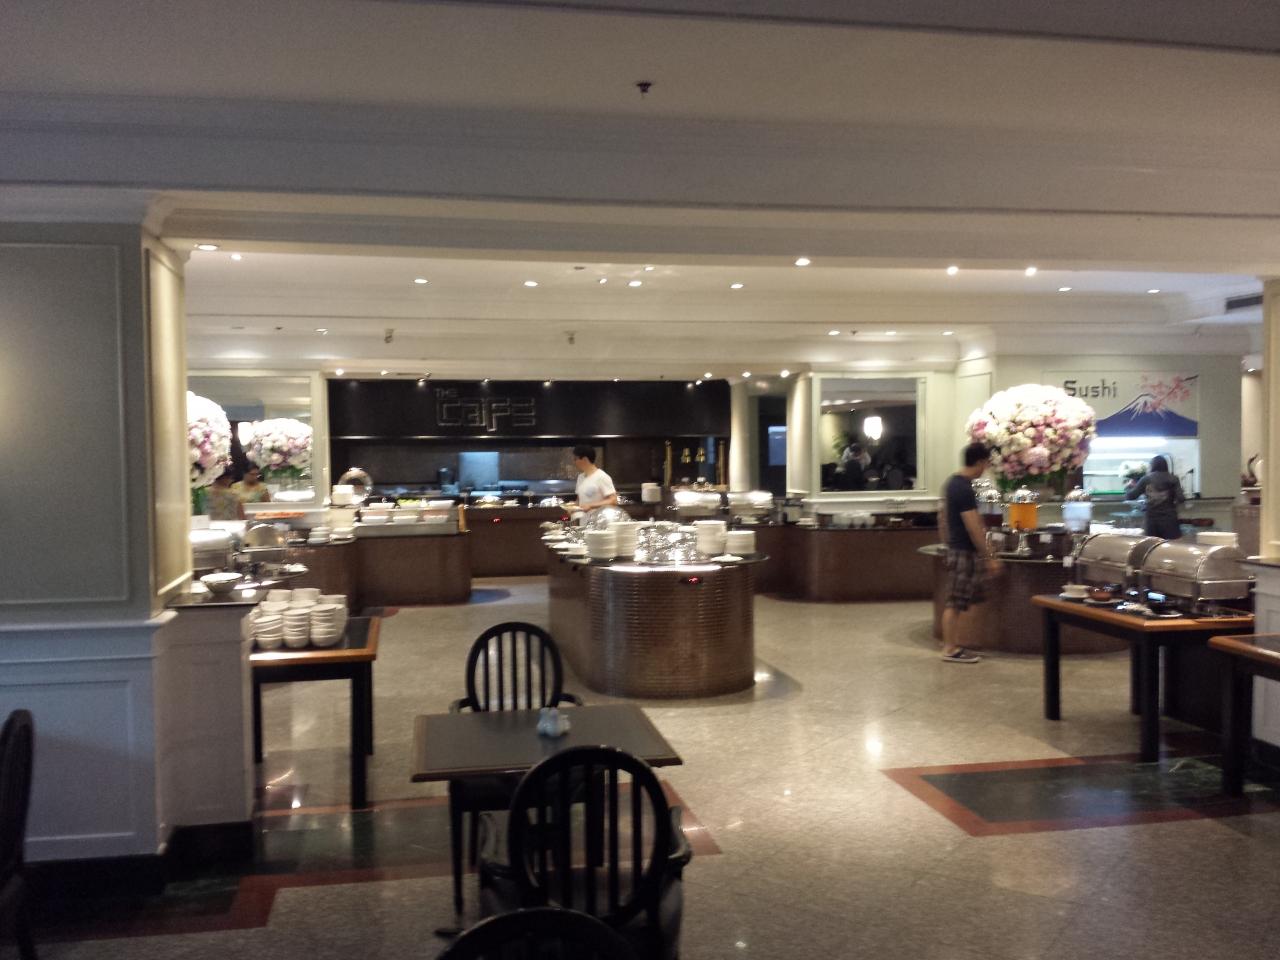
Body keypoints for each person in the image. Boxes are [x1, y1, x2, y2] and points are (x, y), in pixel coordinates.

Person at [938, 441, 1001, 663]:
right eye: (987, 463)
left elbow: (942, 517)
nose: (987, 468)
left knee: (964, 600)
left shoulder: (952, 483)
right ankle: (950, 648)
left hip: (957, 549)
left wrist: (947, 544)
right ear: (980, 462)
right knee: (955, 602)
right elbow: (973, 526)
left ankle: (958, 643)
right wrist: (989, 556)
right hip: (964, 552)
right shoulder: (963, 488)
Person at [1125, 455, 1185, 540]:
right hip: (1170, 520)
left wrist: (1129, 486)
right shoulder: (1174, 479)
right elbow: (1181, 498)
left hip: (1152, 521)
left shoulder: (1146, 479)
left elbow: (1130, 496)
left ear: (1152, 466)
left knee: (1152, 545)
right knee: (1170, 546)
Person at [569, 444, 617, 518]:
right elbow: (579, 501)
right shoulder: (580, 477)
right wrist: (573, 506)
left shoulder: (602, 476)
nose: (574, 462)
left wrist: (591, 505)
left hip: (598, 520)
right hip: (583, 520)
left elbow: (613, 500)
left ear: (584, 459)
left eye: (576, 459)